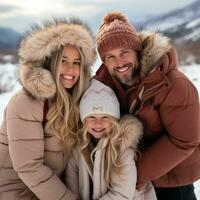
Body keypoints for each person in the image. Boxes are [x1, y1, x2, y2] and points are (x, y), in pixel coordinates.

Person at [94, 11, 200, 200]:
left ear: (138, 51)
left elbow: (185, 140)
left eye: (124, 52)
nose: (119, 62)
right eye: (110, 56)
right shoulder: (105, 85)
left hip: (172, 182)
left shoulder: (173, 84)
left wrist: (135, 175)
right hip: (133, 181)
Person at [0, 18, 96, 200]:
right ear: (50, 62)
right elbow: (29, 167)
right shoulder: (26, 102)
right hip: (16, 192)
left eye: (76, 62)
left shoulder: (74, 99)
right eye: (63, 61)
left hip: (49, 191)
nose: (70, 69)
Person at [66, 79, 157, 200]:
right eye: (91, 117)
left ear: (115, 120)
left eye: (105, 117)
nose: (98, 123)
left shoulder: (122, 147)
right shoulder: (79, 148)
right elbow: (71, 181)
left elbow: (122, 194)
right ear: (83, 120)